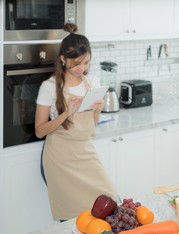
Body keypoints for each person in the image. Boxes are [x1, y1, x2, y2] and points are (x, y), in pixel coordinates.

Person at [35, 23, 119, 221]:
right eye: (77, 63)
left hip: (85, 152)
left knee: (111, 204)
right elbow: (39, 131)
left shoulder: (94, 82)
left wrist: (97, 110)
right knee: (73, 220)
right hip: (60, 158)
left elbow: (92, 124)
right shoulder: (48, 87)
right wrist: (65, 114)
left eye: (86, 63)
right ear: (63, 59)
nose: (82, 68)